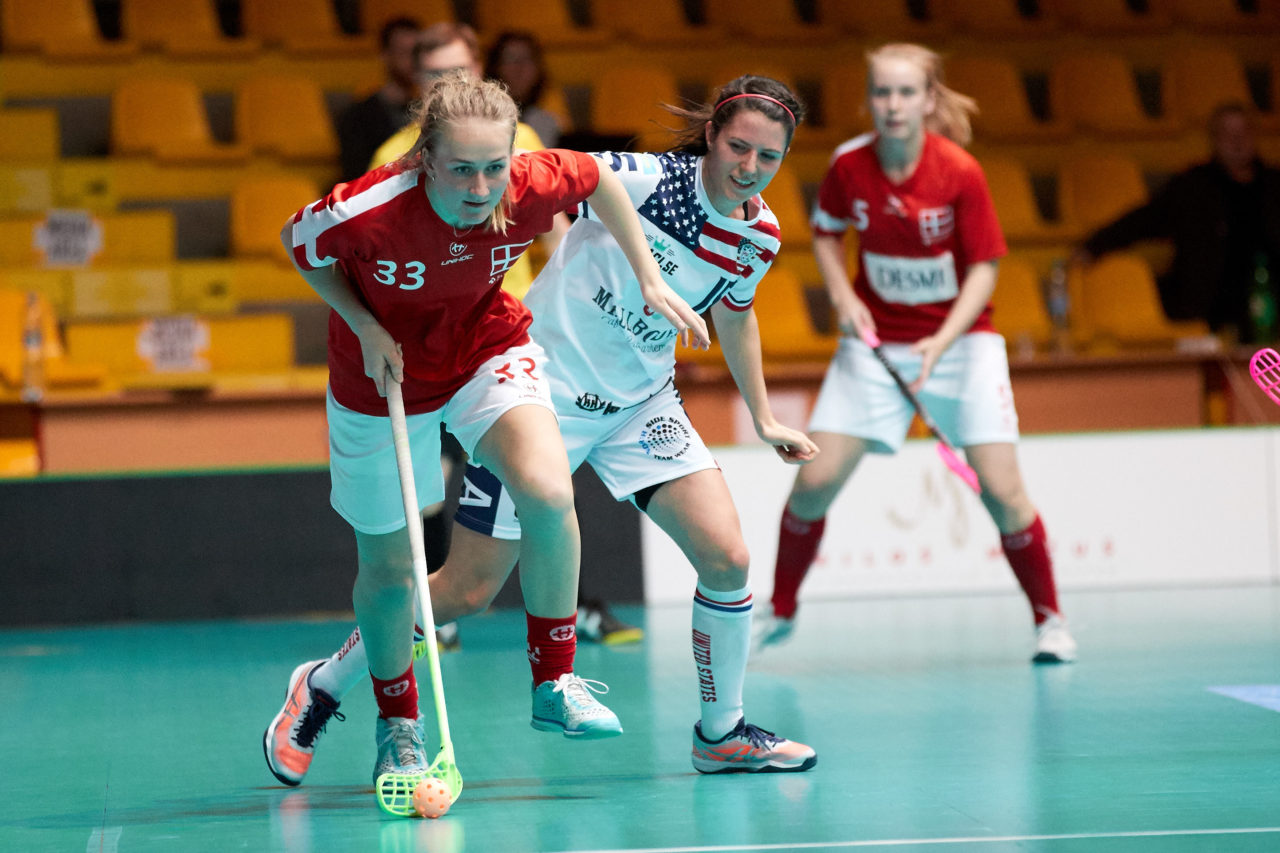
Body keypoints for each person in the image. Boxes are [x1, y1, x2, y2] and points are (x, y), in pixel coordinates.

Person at [265, 74, 822, 783]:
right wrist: (649, 274)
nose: (749, 167)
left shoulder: (759, 233)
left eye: (767, 158)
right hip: (550, 388)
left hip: (639, 403)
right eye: (738, 146)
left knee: (728, 557)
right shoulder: (649, 178)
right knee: (464, 592)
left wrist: (766, 413)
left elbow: (736, 313)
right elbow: (592, 180)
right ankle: (329, 682)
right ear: (711, 134)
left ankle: (719, 732)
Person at [756, 43, 1077, 665]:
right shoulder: (850, 165)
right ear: (869, 99)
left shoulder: (960, 172)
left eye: (905, 93)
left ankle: (1050, 621)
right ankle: (783, 608)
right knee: (813, 481)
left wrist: (943, 340)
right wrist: (845, 298)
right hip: (873, 347)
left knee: (1004, 494)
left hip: (962, 346)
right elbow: (825, 234)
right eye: (882, 92)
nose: (892, 105)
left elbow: (985, 269)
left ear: (928, 101)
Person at [368, 20, 639, 649]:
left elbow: (558, 230)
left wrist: (593, 303)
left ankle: (580, 610)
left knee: (544, 480)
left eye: (461, 71)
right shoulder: (393, 156)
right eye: (436, 74)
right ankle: (440, 614)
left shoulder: (513, 138)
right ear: (418, 82)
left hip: (511, 338)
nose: (450, 84)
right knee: (434, 481)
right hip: (429, 347)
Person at [1074, 102, 1280, 342]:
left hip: (1270, 301)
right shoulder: (1193, 186)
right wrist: (1093, 247)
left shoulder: (1275, 184)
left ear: (1255, 136)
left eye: (1243, 132)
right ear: (1214, 139)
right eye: (1227, 134)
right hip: (1207, 309)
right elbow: (1142, 220)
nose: (1236, 141)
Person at [336, 17, 422, 183]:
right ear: (385, 55)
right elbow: (356, 179)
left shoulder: (432, 111)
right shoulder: (357, 117)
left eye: (416, 53)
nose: (412, 61)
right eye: (403, 52)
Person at [484, 31, 564, 149]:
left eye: (527, 59)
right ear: (495, 67)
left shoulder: (548, 119)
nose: (519, 67)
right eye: (510, 59)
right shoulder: (480, 118)